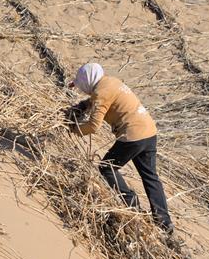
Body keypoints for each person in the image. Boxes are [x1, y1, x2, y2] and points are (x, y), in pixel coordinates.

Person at [67, 63, 174, 236]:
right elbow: (101, 99)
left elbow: (94, 126)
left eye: (81, 85)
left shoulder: (101, 93)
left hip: (133, 135)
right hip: (149, 131)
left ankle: (133, 207)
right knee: (150, 176)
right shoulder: (110, 81)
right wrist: (85, 105)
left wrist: (73, 129)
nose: (82, 89)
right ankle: (164, 222)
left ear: (88, 81)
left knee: (106, 167)